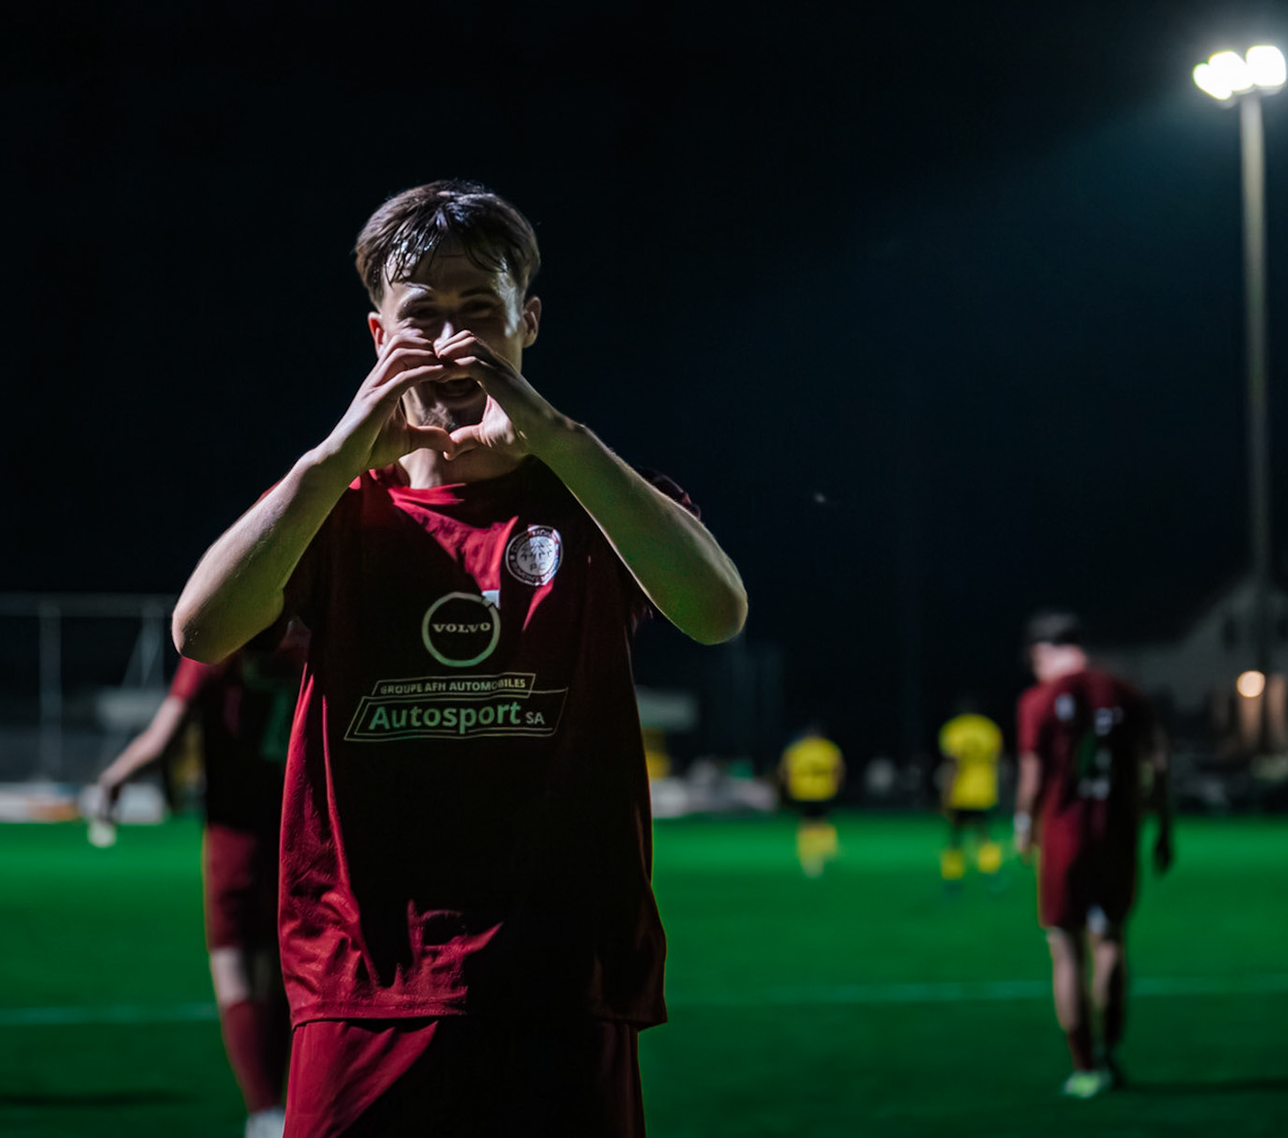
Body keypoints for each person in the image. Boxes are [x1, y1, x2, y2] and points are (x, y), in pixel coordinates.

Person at [171, 180, 749, 1137]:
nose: (453, 340)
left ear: (530, 321)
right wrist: (338, 450)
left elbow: (716, 611)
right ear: (376, 336)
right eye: (422, 316)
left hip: (562, 974)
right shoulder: (333, 501)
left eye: (481, 308)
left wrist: (559, 441)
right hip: (365, 980)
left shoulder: (591, 493)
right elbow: (203, 630)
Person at [95, 622, 307, 1138]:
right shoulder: (308, 647)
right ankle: (291, 1108)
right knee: (282, 967)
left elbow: (160, 740)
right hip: (301, 830)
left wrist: (110, 781)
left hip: (235, 838)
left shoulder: (218, 649)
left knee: (232, 965)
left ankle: (263, 1113)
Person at [1012, 612, 1173, 1099]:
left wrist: (1023, 824)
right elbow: (1159, 767)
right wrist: (1165, 831)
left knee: (1066, 949)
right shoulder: (1128, 694)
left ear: (1042, 652)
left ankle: (1084, 1067)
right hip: (1119, 834)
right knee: (1111, 942)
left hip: (1064, 837)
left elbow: (1034, 773)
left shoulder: (1039, 700)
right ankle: (1111, 1052)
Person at [936, 704, 1004, 890]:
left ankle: (952, 879)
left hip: (960, 793)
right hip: (985, 792)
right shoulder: (989, 729)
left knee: (955, 837)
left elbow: (952, 765)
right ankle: (992, 876)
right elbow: (998, 761)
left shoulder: (954, 728)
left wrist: (945, 795)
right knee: (984, 835)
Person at [777, 727, 844, 877]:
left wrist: (787, 787)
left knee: (808, 822)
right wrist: (837, 785)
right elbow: (839, 769)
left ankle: (811, 853)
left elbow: (783, 771)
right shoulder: (828, 748)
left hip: (803, 791)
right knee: (820, 821)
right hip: (821, 790)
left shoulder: (796, 749)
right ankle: (821, 851)